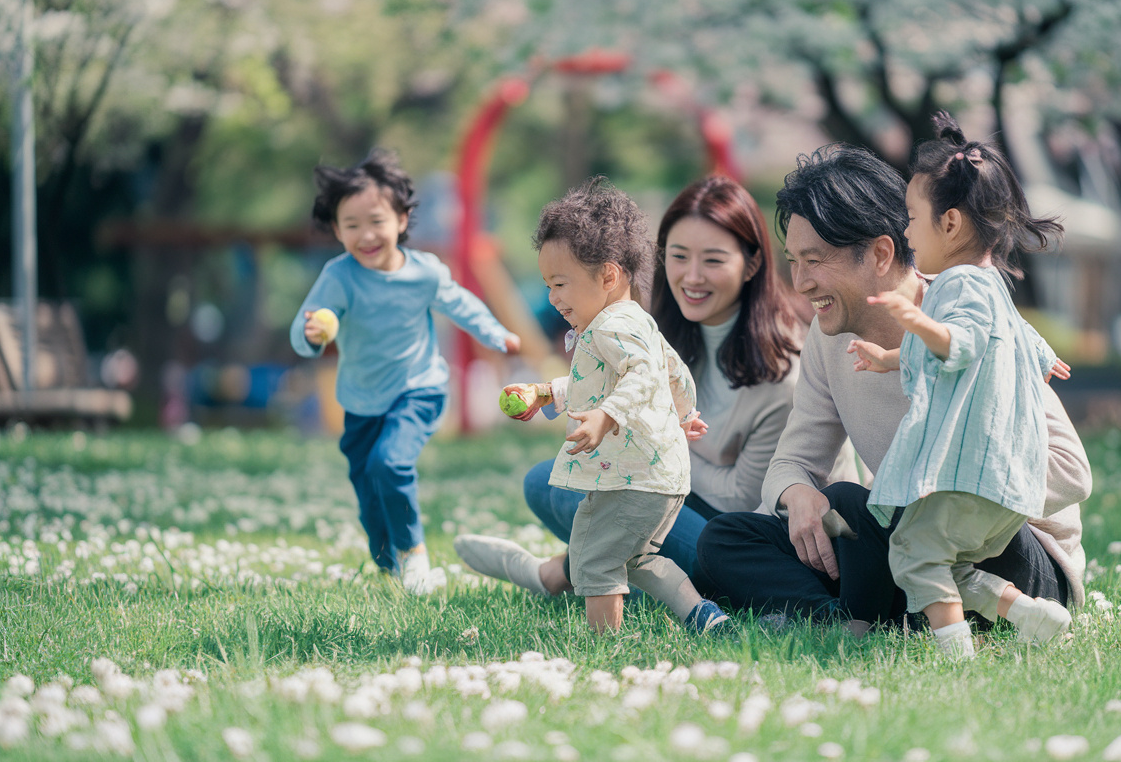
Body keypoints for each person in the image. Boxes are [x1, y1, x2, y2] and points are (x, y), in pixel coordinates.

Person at [695, 140, 1092, 645]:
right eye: (793, 262)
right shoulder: (827, 338)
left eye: (814, 261)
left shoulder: (971, 321)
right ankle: (844, 622)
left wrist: (937, 492)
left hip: (1011, 552)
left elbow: (1072, 471)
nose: (800, 284)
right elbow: (792, 460)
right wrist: (795, 496)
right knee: (725, 540)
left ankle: (878, 613)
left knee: (859, 504)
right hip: (904, 531)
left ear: (881, 253)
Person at [454, 176, 814, 597]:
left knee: (633, 504)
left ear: (751, 264)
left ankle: (558, 575)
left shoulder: (783, 368)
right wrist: (550, 393)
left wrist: (655, 446)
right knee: (547, 482)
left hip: (742, 537)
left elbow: (742, 499)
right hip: (671, 490)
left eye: (713, 260)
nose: (692, 277)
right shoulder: (648, 329)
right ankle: (607, 575)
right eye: (679, 256)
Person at [844, 112, 1073, 657]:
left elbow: (960, 343)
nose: (904, 230)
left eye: (911, 217)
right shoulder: (990, 283)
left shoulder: (958, 282)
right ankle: (1027, 612)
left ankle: (955, 657)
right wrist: (889, 358)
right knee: (936, 561)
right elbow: (994, 342)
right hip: (997, 487)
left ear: (949, 224)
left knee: (912, 555)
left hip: (969, 477)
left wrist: (915, 319)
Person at [489, 177, 727, 634]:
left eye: (559, 284)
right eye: (547, 285)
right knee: (635, 559)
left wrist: (608, 415)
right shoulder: (638, 321)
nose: (553, 298)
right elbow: (671, 372)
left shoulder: (608, 329)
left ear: (608, 276)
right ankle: (702, 615)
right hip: (662, 476)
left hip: (634, 479)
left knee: (594, 560)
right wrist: (544, 395)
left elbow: (643, 374)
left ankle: (606, 647)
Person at [289, 149, 519, 595]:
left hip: (419, 388)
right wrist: (313, 334)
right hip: (360, 400)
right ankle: (387, 562)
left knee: (389, 463)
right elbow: (304, 326)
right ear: (336, 231)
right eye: (350, 226)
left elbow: (461, 304)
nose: (365, 235)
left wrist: (495, 333)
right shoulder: (338, 277)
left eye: (376, 221)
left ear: (401, 219)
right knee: (368, 488)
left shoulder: (425, 273)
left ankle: (415, 556)